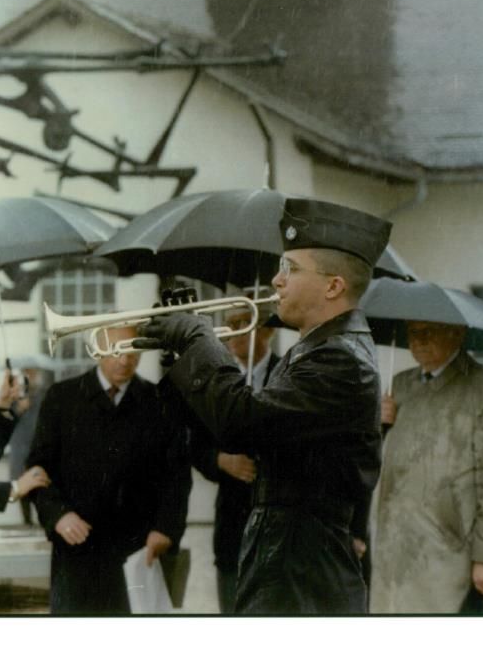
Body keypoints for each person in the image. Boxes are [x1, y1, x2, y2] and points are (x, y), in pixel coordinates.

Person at [151, 197, 390, 615]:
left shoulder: (339, 360)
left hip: (302, 569)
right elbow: (225, 419)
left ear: (333, 286)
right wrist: (180, 357)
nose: (276, 282)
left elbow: (241, 422)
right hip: (289, 559)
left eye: (290, 269)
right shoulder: (317, 350)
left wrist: (199, 341)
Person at [27, 324, 192, 615]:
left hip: (138, 551)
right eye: (116, 351)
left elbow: (177, 476)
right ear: (96, 352)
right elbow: (38, 469)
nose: (125, 360)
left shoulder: (160, 402)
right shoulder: (61, 398)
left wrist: (166, 529)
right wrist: (58, 514)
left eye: (132, 351)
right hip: (76, 550)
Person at [369, 321, 483, 614]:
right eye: (414, 332)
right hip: (396, 550)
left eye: (430, 331)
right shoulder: (400, 385)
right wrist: (379, 426)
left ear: (457, 333)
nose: (420, 339)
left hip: (452, 552)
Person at [190, 301, 280, 614]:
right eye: (230, 324)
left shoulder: (289, 374)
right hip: (232, 527)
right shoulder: (217, 381)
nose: (236, 332)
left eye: (245, 321)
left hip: (279, 527)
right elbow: (195, 445)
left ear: (267, 329)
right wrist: (221, 460)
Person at [0, 368, 50, 512]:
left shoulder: (43, 394)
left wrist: (2, 406)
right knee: (23, 479)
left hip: (36, 444)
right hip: (20, 445)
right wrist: (13, 488)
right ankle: (27, 518)